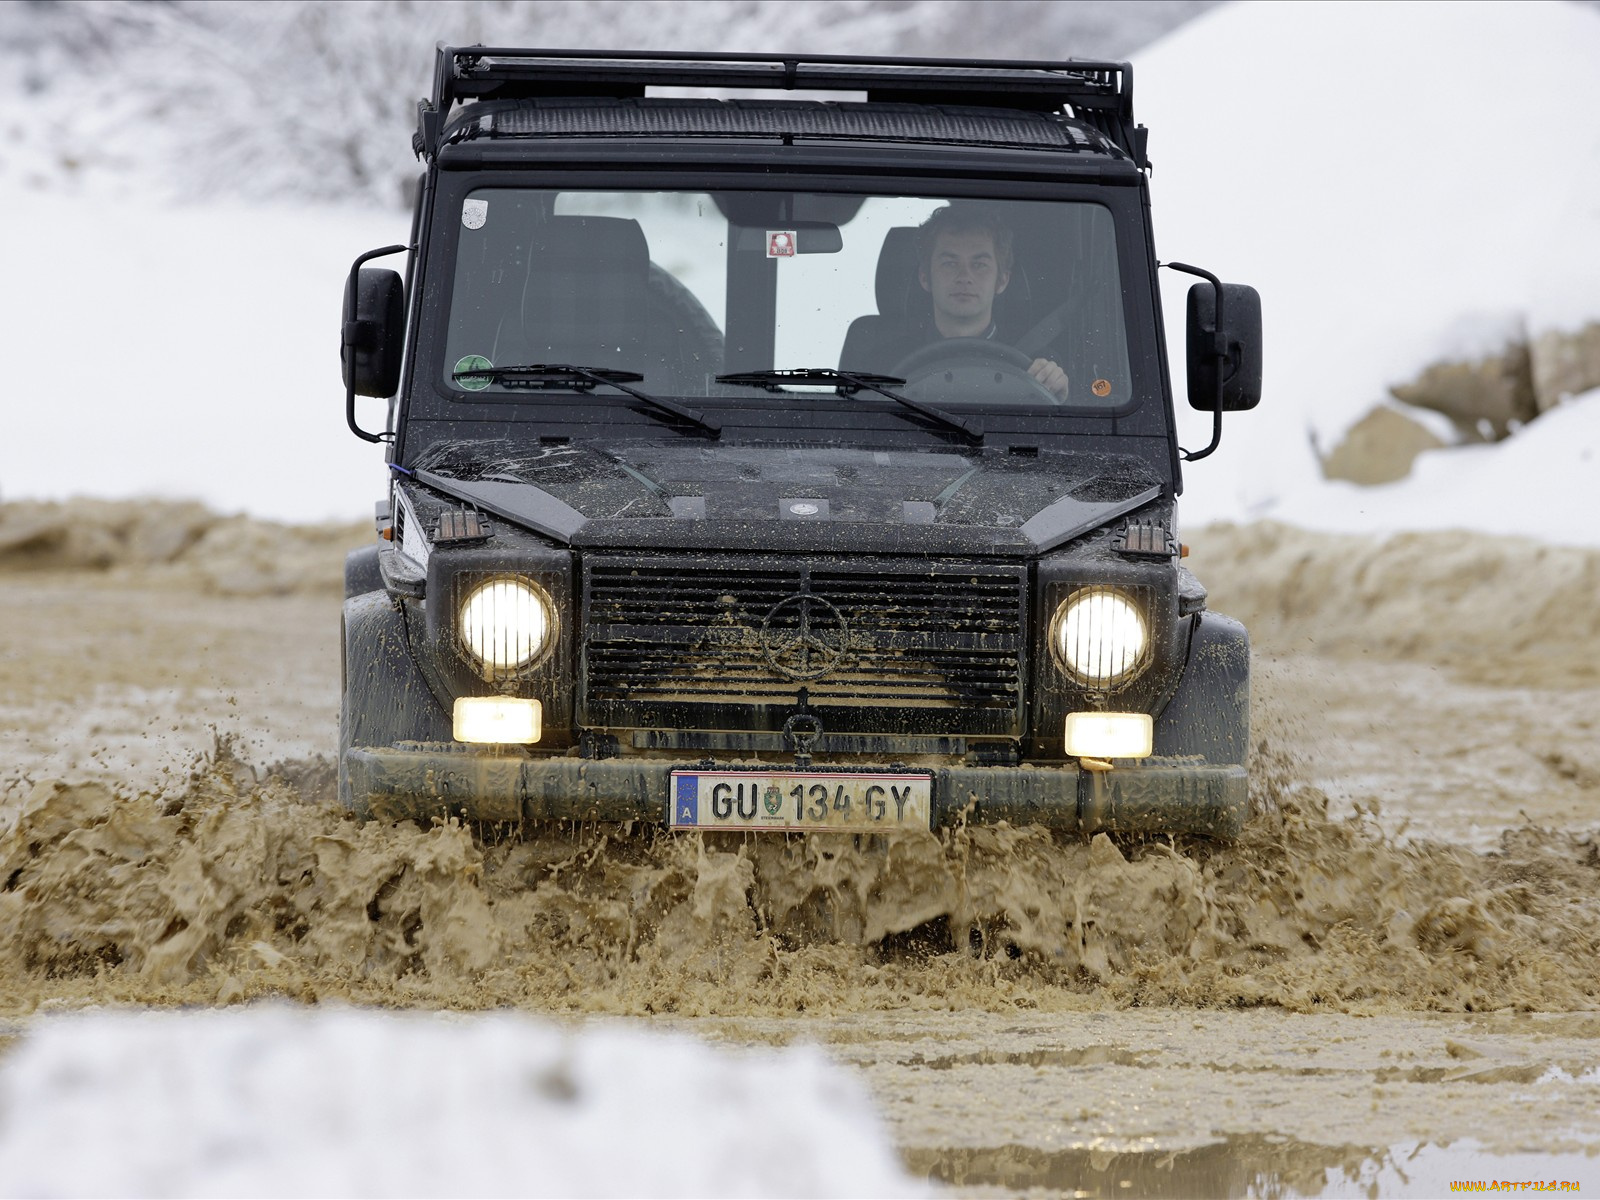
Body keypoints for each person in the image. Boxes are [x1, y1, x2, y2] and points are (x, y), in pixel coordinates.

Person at [856, 204, 1070, 400]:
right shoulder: (881, 368)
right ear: (925, 277)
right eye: (949, 263)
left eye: (979, 264)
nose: (964, 276)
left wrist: (1061, 397)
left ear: (1002, 280)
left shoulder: (1038, 367)